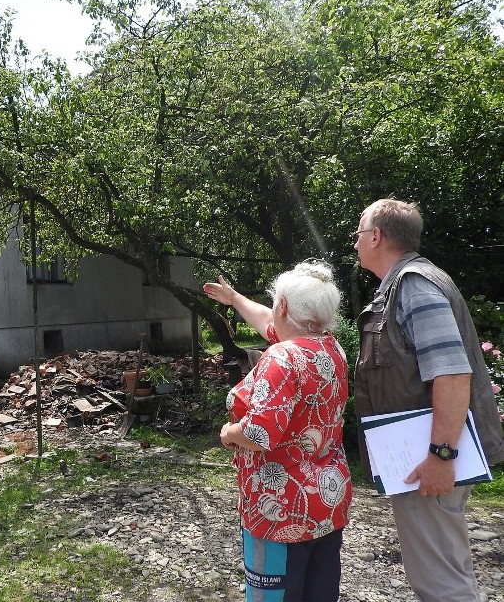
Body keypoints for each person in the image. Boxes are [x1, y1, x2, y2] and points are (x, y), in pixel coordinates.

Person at [352, 199, 504, 601]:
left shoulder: (415, 285)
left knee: (440, 583)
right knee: (443, 570)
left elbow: (452, 373)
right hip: (420, 458)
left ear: (376, 236)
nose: (354, 244)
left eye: (358, 234)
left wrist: (441, 456)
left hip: (429, 462)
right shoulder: (405, 284)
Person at [204, 261, 352, 602]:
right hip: (327, 504)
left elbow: (259, 435)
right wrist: (236, 299)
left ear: (283, 305)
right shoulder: (330, 348)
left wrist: (228, 433)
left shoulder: (282, 357)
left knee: (274, 597)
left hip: (280, 511)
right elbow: (271, 324)